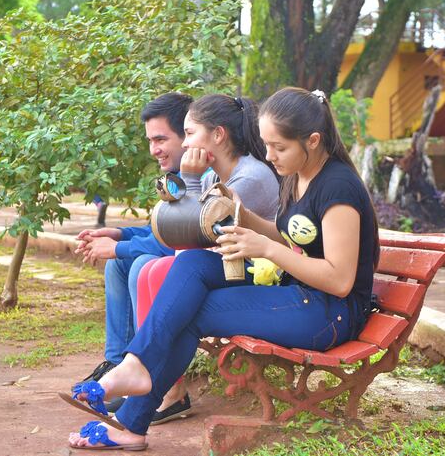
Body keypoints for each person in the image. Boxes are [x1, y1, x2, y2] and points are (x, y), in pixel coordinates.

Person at [63, 86, 379, 450]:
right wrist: (239, 213)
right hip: (299, 293)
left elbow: (340, 280)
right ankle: (134, 370)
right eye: (266, 144)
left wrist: (266, 250)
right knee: (196, 263)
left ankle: (133, 417)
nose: (270, 156)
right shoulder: (300, 173)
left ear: (312, 140)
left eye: (279, 147)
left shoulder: (338, 187)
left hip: (330, 314)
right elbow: (288, 234)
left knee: (192, 312)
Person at [130, 93, 281, 422]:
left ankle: (168, 389)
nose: (184, 143)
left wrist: (190, 179)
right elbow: (178, 230)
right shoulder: (214, 175)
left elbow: (193, 234)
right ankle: (144, 376)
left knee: (157, 273)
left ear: (218, 135)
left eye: (190, 133)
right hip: (222, 267)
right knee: (147, 270)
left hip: (257, 275)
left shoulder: (250, 178)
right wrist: (190, 181)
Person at [74, 92, 192, 388]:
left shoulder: (197, 177)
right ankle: (116, 364)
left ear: (187, 136)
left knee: (138, 263)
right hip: (187, 266)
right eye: (150, 141)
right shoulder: (178, 175)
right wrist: (119, 234)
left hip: (206, 271)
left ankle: (144, 371)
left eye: (160, 139)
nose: (154, 150)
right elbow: (162, 232)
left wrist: (117, 247)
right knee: (119, 265)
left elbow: (176, 242)